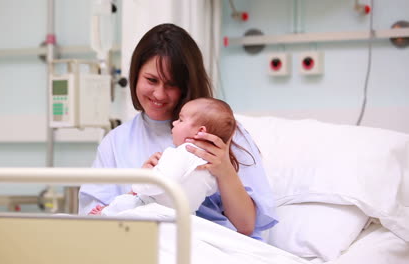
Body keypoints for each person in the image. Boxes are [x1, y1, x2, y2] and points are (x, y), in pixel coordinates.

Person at [79, 23, 277, 240]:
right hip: (139, 242)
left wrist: (224, 170)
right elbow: (95, 223)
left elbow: (247, 226)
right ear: (136, 74)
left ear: (187, 85)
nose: (159, 94)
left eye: (171, 84)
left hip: (209, 244)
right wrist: (141, 188)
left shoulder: (222, 135)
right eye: (151, 80)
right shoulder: (116, 142)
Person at [90, 98, 239, 216]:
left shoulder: (180, 153)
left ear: (199, 131)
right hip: (185, 217)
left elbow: (155, 184)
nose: (174, 122)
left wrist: (141, 180)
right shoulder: (211, 165)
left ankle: (104, 214)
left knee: (127, 204)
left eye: (180, 120)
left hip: (156, 210)